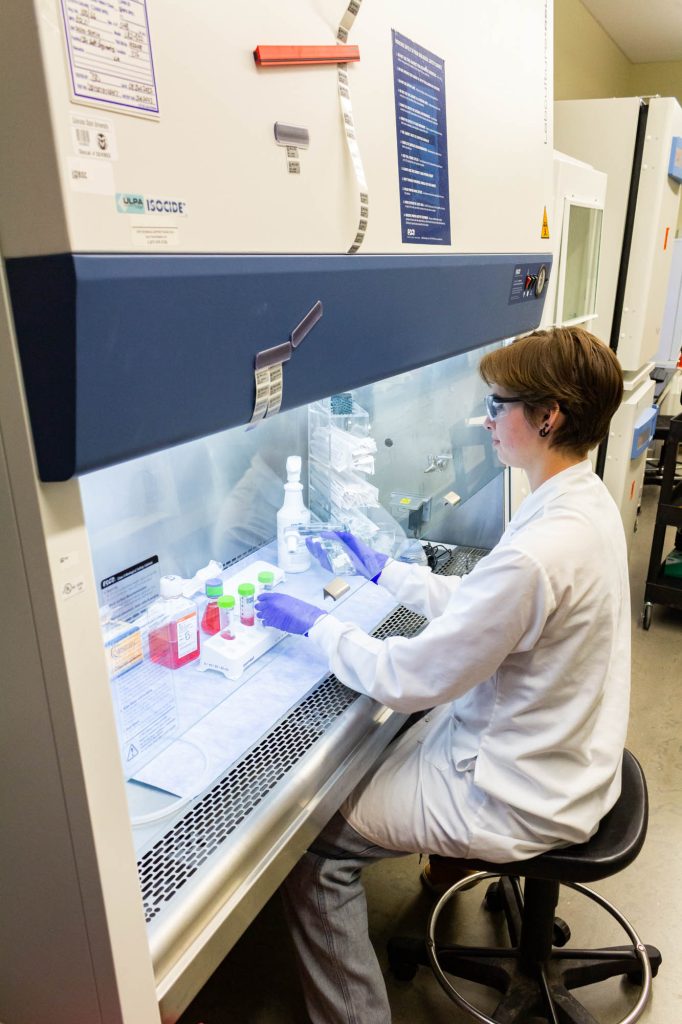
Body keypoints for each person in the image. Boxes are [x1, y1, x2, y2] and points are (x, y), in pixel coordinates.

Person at [256, 326, 629, 1024]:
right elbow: (486, 606)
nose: (486, 421)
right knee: (398, 744)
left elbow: (411, 678)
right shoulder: (583, 502)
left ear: (545, 416)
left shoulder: (541, 547)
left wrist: (315, 625)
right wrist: (384, 571)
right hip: (571, 759)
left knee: (313, 842)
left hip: (519, 793)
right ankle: (441, 867)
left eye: (497, 406)